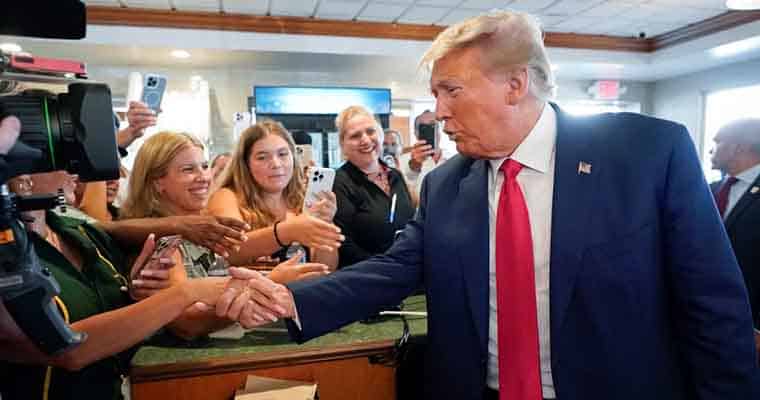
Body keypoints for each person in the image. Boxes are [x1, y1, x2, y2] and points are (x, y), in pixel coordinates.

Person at [246, 10, 760, 400]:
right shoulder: (449, 184)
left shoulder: (646, 155)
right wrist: (288, 299)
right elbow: (396, 268)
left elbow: (713, 308)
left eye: (451, 92)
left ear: (515, 85)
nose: (437, 112)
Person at [0, 169, 282, 400]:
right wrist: (186, 294)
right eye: (60, 160)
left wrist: (139, 295)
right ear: (23, 178)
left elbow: (110, 319)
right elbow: (68, 350)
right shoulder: (9, 256)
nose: (76, 170)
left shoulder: (77, 233)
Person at [120, 131, 329, 338]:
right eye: (188, 170)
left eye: (204, 166)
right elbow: (188, 324)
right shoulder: (161, 240)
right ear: (158, 182)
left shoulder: (202, 230)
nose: (204, 177)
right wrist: (267, 286)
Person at [207, 120, 343, 269]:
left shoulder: (303, 200)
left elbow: (326, 268)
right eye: (262, 157)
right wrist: (289, 231)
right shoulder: (227, 197)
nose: (276, 164)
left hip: (303, 290)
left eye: (283, 154)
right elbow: (232, 251)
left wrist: (326, 224)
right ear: (245, 164)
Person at [332, 106, 415, 268]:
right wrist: (383, 267)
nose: (365, 140)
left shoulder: (396, 176)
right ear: (343, 144)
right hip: (365, 278)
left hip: (407, 273)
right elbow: (343, 243)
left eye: (370, 131)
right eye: (355, 136)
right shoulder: (339, 182)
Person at [710, 118, 760, 353]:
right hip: (708, 317)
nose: (712, 149)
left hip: (750, 323)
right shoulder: (708, 189)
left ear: (739, 147)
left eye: (719, 142)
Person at [399, 110, 447, 195]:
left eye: (433, 126)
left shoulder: (453, 160)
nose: (429, 132)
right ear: (416, 133)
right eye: (423, 128)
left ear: (440, 130)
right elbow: (402, 192)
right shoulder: (401, 161)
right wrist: (413, 167)